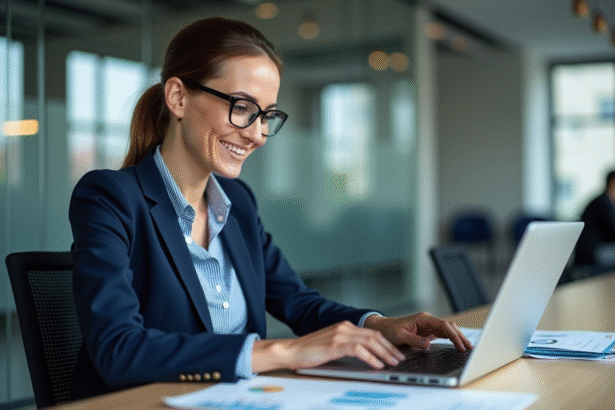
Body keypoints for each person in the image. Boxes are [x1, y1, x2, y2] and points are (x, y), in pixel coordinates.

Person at [68, 17, 471, 401]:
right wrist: (281, 353)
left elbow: (298, 302)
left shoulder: (237, 203)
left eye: (267, 115)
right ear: (178, 97)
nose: (258, 134)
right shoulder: (110, 197)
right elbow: (117, 349)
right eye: (242, 107)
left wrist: (379, 325)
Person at [575, 170, 615, 265]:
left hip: (598, 247)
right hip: (592, 251)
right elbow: (612, 231)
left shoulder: (608, 203)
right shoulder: (601, 204)